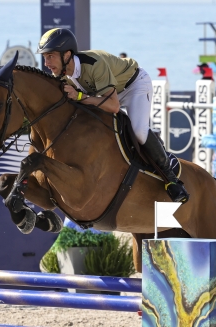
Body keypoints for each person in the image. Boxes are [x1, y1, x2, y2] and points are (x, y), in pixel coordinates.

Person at [38, 28, 188, 203]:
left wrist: (79, 96)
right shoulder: (62, 76)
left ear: (66, 55)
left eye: (50, 56)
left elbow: (113, 106)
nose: (46, 63)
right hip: (106, 94)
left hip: (134, 86)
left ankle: (171, 179)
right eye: (44, 57)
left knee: (139, 131)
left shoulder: (95, 63)